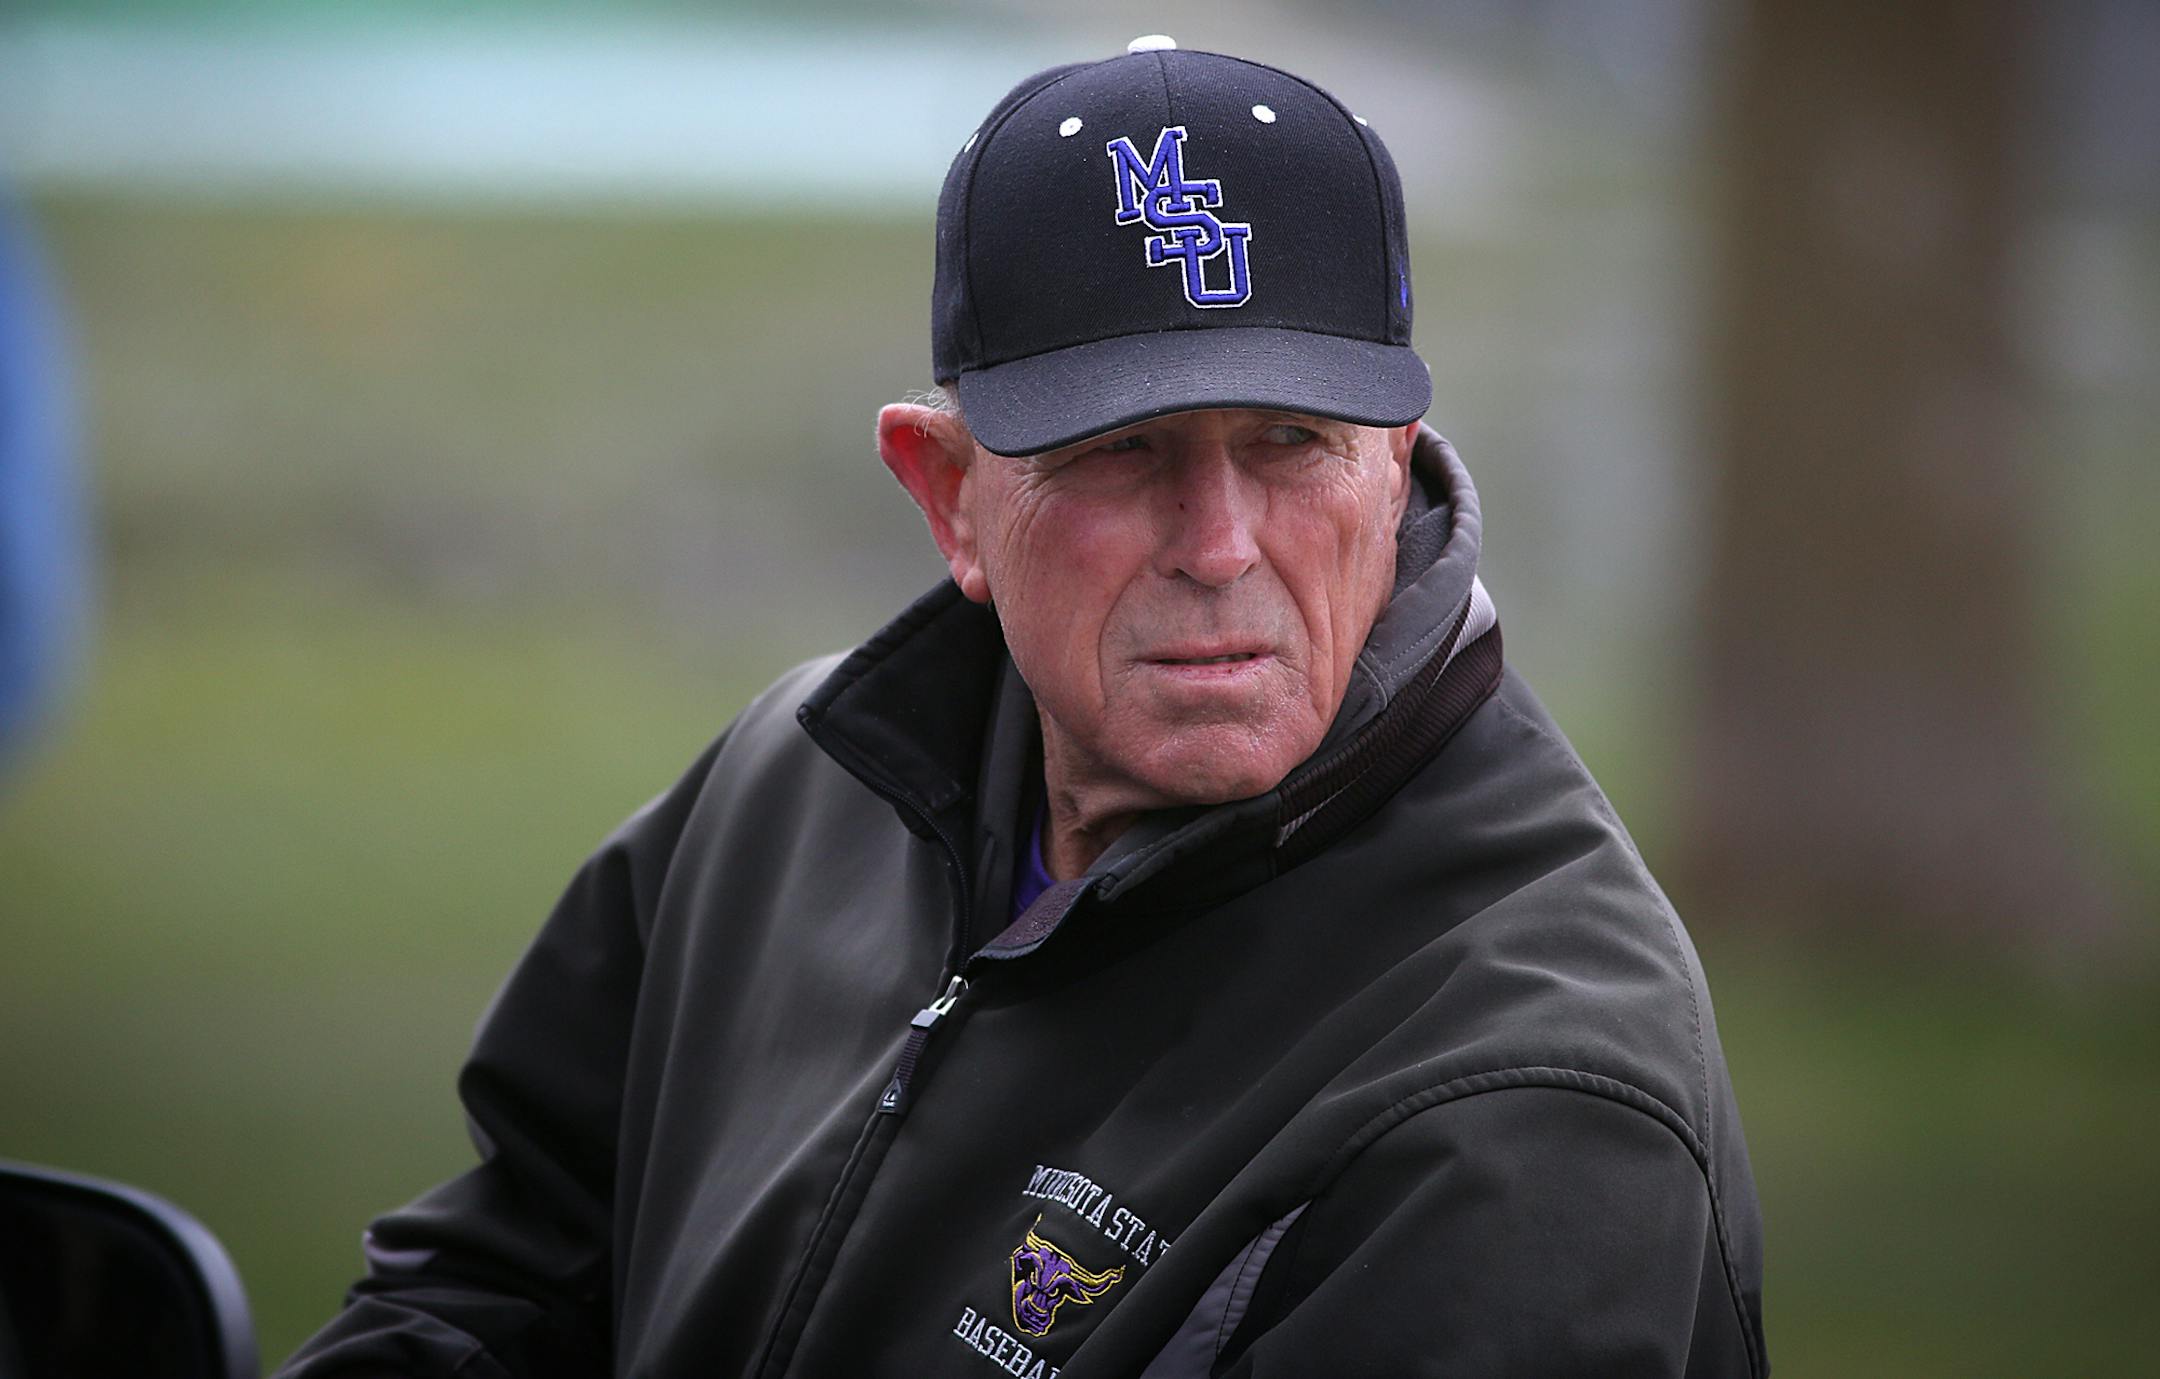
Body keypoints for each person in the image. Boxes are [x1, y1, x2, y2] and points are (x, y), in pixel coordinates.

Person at [277, 38, 1767, 1378]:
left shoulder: (1530, 1095)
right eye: (1122, 450)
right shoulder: (789, 794)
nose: (1219, 545)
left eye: (1292, 440)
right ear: (951, 497)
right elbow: (500, 1284)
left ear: (1394, 465)